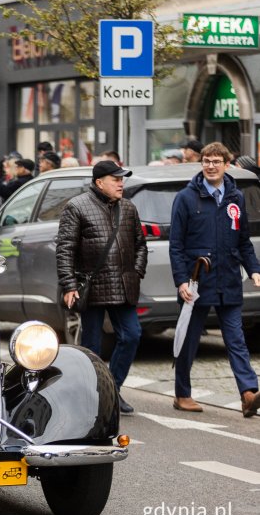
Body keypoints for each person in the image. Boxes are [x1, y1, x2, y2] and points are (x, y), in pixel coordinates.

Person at [168, 142, 260, 416]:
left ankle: (248, 393)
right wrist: (182, 280)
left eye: (216, 161)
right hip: (197, 282)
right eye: (207, 161)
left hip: (228, 279)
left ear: (226, 164)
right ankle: (182, 394)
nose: (211, 166)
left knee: (236, 339)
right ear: (202, 164)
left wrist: (254, 269)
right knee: (189, 340)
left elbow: (243, 241)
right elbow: (176, 244)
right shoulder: (186, 198)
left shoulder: (236, 198)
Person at [56, 160, 147, 415]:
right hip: (92, 285)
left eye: (122, 179)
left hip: (123, 285)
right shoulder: (76, 206)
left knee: (132, 335)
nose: (121, 183)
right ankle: (92, 395)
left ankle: (113, 390)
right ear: (99, 183)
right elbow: (65, 249)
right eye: (116, 179)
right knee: (92, 346)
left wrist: (136, 272)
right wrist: (69, 284)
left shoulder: (128, 208)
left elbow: (140, 244)